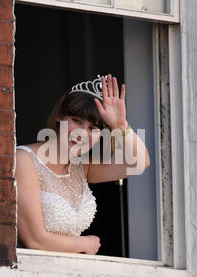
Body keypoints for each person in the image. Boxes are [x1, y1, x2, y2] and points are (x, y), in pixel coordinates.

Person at [15, 74, 150, 255]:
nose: (81, 134)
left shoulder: (82, 168)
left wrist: (120, 125)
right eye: (76, 121)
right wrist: (85, 244)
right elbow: (34, 239)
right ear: (59, 116)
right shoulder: (24, 160)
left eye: (92, 129)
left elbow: (139, 163)